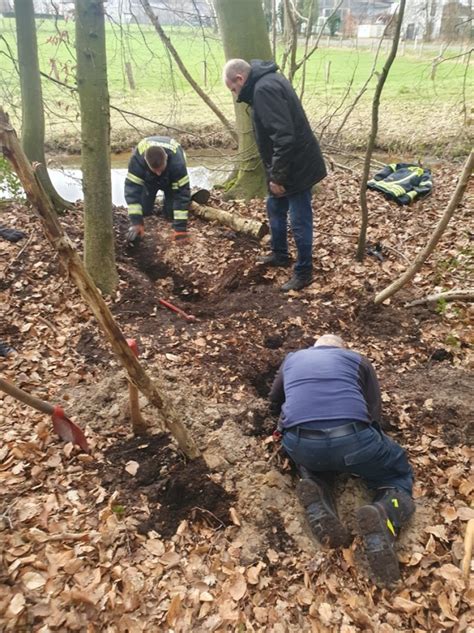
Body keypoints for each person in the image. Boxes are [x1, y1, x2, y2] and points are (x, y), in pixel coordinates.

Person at [269, 334, 415, 585]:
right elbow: (373, 409)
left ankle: (316, 484)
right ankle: (385, 512)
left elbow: (274, 401)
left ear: (315, 347)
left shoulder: (292, 359)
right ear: (341, 349)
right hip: (353, 439)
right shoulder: (357, 360)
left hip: (301, 443)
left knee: (311, 462)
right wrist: (371, 443)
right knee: (397, 473)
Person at [223, 59, 327, 292]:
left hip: (296, 167)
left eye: (233, 89)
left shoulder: (264, 90)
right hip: (285, 164)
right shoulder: (267, 81)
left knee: (299, 221)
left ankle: (304, 272)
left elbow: (284, 137)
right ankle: (280, 254)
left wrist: (278, 177)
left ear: (240, 79)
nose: (235, 94)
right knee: (275, 207)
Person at [124, 136, 191, 244]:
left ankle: (167, 200)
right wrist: (136, 222)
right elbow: (132, 191)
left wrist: (180, 229)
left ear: (166, 158)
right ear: (145, 161)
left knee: (171, 214)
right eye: (155, 171)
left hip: (171, 178)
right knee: (144, 211)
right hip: (149, 179)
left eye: (160, 169)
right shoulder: (137, 160)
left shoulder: (177, 163)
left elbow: (182, 194)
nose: (159, 173)